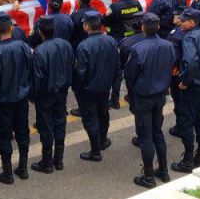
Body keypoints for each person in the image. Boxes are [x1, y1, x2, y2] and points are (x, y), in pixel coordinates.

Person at [124, 12, 176, 187]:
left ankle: (148, 176)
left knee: (146, 137)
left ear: (143, 27)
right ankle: (163, 170)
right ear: (158, 27)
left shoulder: (138, 49)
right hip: (159, 95)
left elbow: (130, 75)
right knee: (157, 132)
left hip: (143, 96)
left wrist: (131, 93)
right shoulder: (168, 45)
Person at [0, 16, 34, 184]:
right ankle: (23, 168)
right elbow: (31, 69)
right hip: (21, 98)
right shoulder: (23, 46)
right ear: (12, 28)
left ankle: (7, 173)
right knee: (23, 132)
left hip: (4, 102)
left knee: (4, 136)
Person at [73, 11, 120, 162]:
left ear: (86, 26)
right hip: (105, 86)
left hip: (88, 89)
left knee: (90, 119)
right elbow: (116, 65)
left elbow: (81, 72)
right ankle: (103, 140)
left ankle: (95, 151)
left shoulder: (83, 46)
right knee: (103, 113)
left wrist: (77, 88)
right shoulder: (110, 40)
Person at [30, 17, 74, 173]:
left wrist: (33, 96)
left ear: (40, 32)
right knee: (60, 124)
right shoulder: (66, 45)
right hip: (61, 92)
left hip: (45, 96)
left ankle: (47, 162)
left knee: (46, 127)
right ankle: (59, 160)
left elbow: (37, 78)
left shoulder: (40, 51)